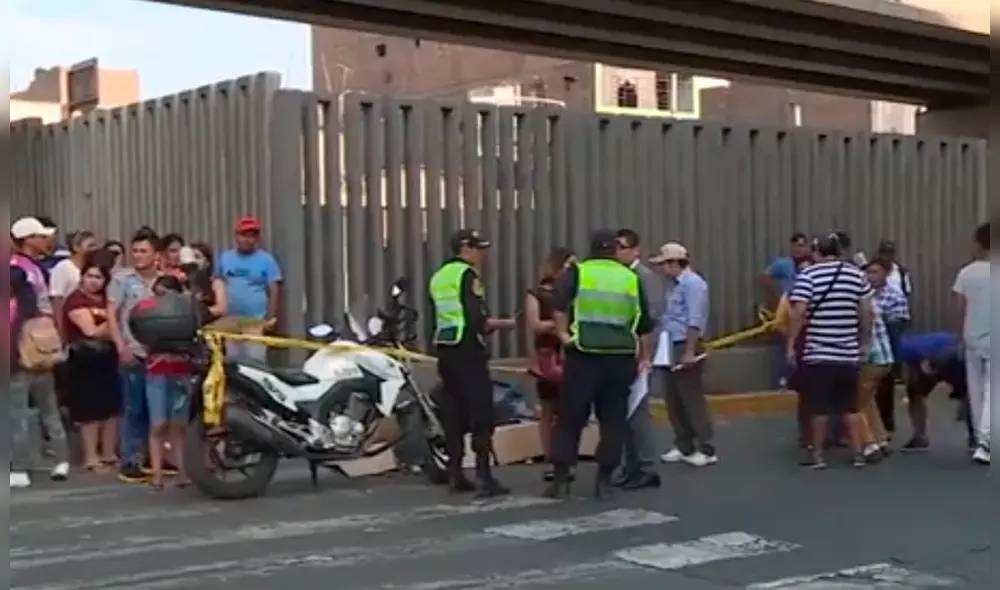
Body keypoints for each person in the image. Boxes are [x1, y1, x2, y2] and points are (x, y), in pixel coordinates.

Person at [547, 230, 654, 499]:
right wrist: (645, 357)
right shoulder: (631, 277)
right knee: (613, 421)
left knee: (571, 418)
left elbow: (558, 304)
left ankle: (561, 479)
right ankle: (604, 480)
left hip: (583, 355)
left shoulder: (579, 272)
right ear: (614, 250)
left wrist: (563, 335)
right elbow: (643, 324)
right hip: (619, 357)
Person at [430, 229, 516, 496]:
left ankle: (456, 473)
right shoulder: (468, 275)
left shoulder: (439, 276)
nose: (481, 255)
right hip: (469, 351)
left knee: (453, 412)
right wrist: (505, 324)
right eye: (478, 249)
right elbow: (477, 319)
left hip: (446, 350)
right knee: (481, 412)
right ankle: (484, 475)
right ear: (465, 249)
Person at [786, 233, 875, 468]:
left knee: (819, 408)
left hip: (819, 352)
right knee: (851, 407)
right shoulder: (857, 275)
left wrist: (791, 344)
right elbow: (867, 311)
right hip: (848, 352)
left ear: (817, 252)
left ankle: (817, 455)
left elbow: (798, 312)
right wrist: (864, 341)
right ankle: (858, 454)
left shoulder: (808, 275)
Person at [652, 242, 716, 467]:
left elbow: (694, 319)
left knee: (691, 398)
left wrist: (690, 351)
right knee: (673, 398)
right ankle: (684, 444)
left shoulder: (693, 284)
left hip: (684, 343)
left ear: (674, 262)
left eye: (664, 264)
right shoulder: (674, 285)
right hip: (669, 343)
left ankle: (707, 448)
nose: (661, 269)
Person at [107, 228, 163, 483]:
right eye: (136, 251)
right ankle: (130, 460)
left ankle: (155, 458)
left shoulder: (164, 281)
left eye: (144, 251)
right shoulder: (122, 279)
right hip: (133, 350)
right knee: (133, 407)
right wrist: (121, 346)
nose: (139, 256)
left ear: (156, 254)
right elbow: (112, 314)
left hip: (160, 353)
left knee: (157, 408)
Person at [10, 264, 71, 487]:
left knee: (17, 419)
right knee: (50, 414)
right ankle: (62, 461)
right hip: (43, 365)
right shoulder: (35, 310)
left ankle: (19, 468)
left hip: (16, 370)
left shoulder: (10, 310)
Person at [612, 229, 664, 488]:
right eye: (615, 247)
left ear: (635, 250)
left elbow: (650, 318)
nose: (618, 252)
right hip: (622, 351)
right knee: (624, 413)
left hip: (640, 352)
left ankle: (645, 466)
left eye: (623, 247)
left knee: (638, 413)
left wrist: (647, 355)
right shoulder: (620, 276)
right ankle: (628, 465)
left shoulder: (644, 277)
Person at [62, 259, 121, 471]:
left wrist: (112, 322)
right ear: (82, 277)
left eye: (99, 277)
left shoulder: (108, 299)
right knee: (90, 410)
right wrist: (115, 323)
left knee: (111, 409)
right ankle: (91, 457)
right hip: (86, 359)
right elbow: (90, 331)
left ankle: (109, 453)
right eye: (90, 276)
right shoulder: (76, 300)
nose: (94, 281)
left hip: (110, 358)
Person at [524, 247, 575, 482]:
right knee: (548, 409)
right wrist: (559, 326)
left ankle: (566, 458)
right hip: (548, 353)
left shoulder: (574, 292)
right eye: (568, 266)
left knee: (568, 409)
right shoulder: (537, 294)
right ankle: (550, 457)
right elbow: (535, 324)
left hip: (571, 352)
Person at [855, 259, 906, 462]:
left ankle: (869, 444)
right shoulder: (871, 298)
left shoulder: (863, 302)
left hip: (872, 356)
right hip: (884, 357)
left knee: (856, 402)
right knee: (868, 401)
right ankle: (881, 438)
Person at [216, 216, 282, 361]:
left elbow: (274, 289)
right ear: (236, 236)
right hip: (230, 320)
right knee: (232, 361)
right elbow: (217, 283)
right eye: (244, 235)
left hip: (255, 320)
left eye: (252, 236)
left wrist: (269, 318)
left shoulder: (266, 260)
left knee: (255, 361)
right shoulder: (225, 258)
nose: (248, 240)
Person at [951, 222, 990, 464]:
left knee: (975, 390)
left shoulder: (966, 272)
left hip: (972, 336)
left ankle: (980, 436)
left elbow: (957, 307)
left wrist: (957, 336)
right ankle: (986, 440)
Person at [896, 332, 973, 452]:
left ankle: (975, 436)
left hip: (950, 357)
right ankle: (919, 437)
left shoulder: (902, 349)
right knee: (915, 392)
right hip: (943, 353)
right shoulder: (907, 346)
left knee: (968, 396)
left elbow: (915, 368)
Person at [865, 258, 910, 438]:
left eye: (875, 272)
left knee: (885, 385)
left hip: (886, 343)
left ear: (885, 274)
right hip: (869, 344)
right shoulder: (864, 294)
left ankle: (885, 421)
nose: (871, 276)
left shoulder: (894, 295)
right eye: (869, 272)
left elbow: (900, 321)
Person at [760, 233, 812, 388]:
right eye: (795, 245)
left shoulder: (814, 265)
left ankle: (802, 381)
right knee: (784, 346)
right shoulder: (783, 264)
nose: (798, 249)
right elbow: (764, 277)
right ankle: (783, 380)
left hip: (807, 312)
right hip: (787, 310)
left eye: (802, 245)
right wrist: (775, 297)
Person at [49, 230, 100, 332]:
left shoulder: (92, 268)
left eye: (95, 245)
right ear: (76, 247)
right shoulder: (63, 267)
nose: (94, 249)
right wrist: (61, 329)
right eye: (90, 245)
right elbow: (57, 301)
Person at [10, 216, 55, 315]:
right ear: (28, 240)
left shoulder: (34, 265)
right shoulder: (18, 267)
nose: (48, 241)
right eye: (43, 237)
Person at [181, 243, 228, 324]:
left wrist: (198, 311)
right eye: (191, 257)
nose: (194, 261)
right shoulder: (183, 282)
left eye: (197, 257)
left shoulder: (216, 282)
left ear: (207, 262)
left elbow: (222, 309)